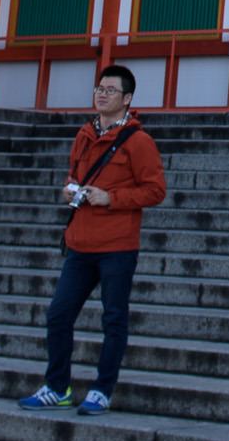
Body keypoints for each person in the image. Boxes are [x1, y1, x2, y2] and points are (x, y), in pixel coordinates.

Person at [19, 63, 165, 416]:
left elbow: (155, 190)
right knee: (58, 314)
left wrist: (111, 198)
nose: (102, 94)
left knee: (113, 319)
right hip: (80, 243)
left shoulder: (138, 141)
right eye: (99, 88)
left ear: (127, 99)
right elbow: (74, 174)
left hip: (117, 245)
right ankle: (57, 386)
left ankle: (102, 389)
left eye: (110, 90)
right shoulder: (84, 134)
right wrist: (70, 191)